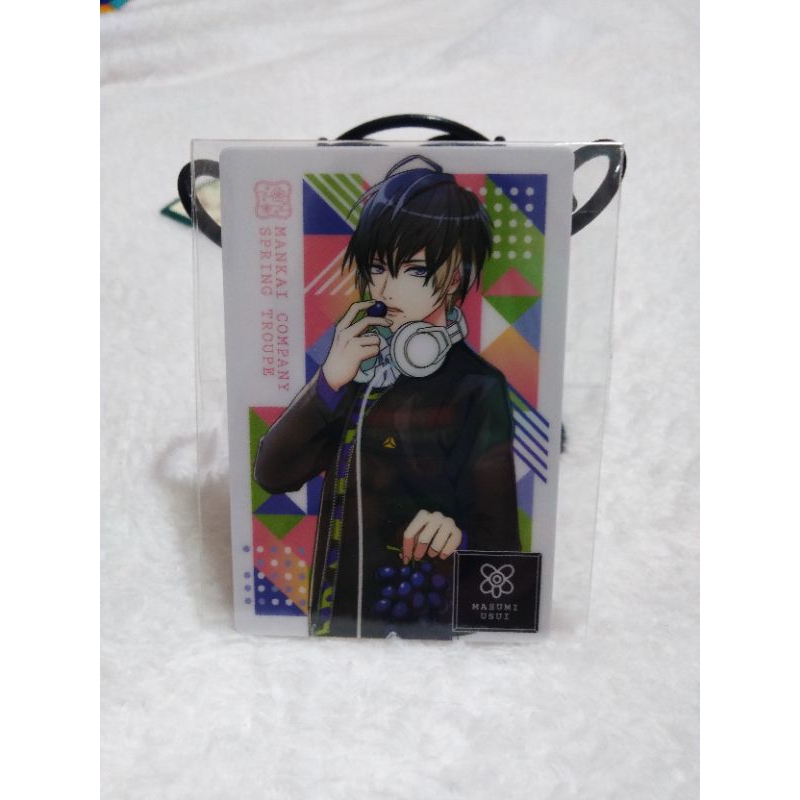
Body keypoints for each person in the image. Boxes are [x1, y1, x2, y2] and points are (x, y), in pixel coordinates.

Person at [254, 155, 520, 639]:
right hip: (332, 634)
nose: (386, 288)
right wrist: (328, 382)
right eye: (378, 267)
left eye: (413, 270)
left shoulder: (477, 386)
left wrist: (456, 535)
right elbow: (272, 474)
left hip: (423, 637)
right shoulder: (357, 367)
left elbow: (502, 551)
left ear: (455, 279)